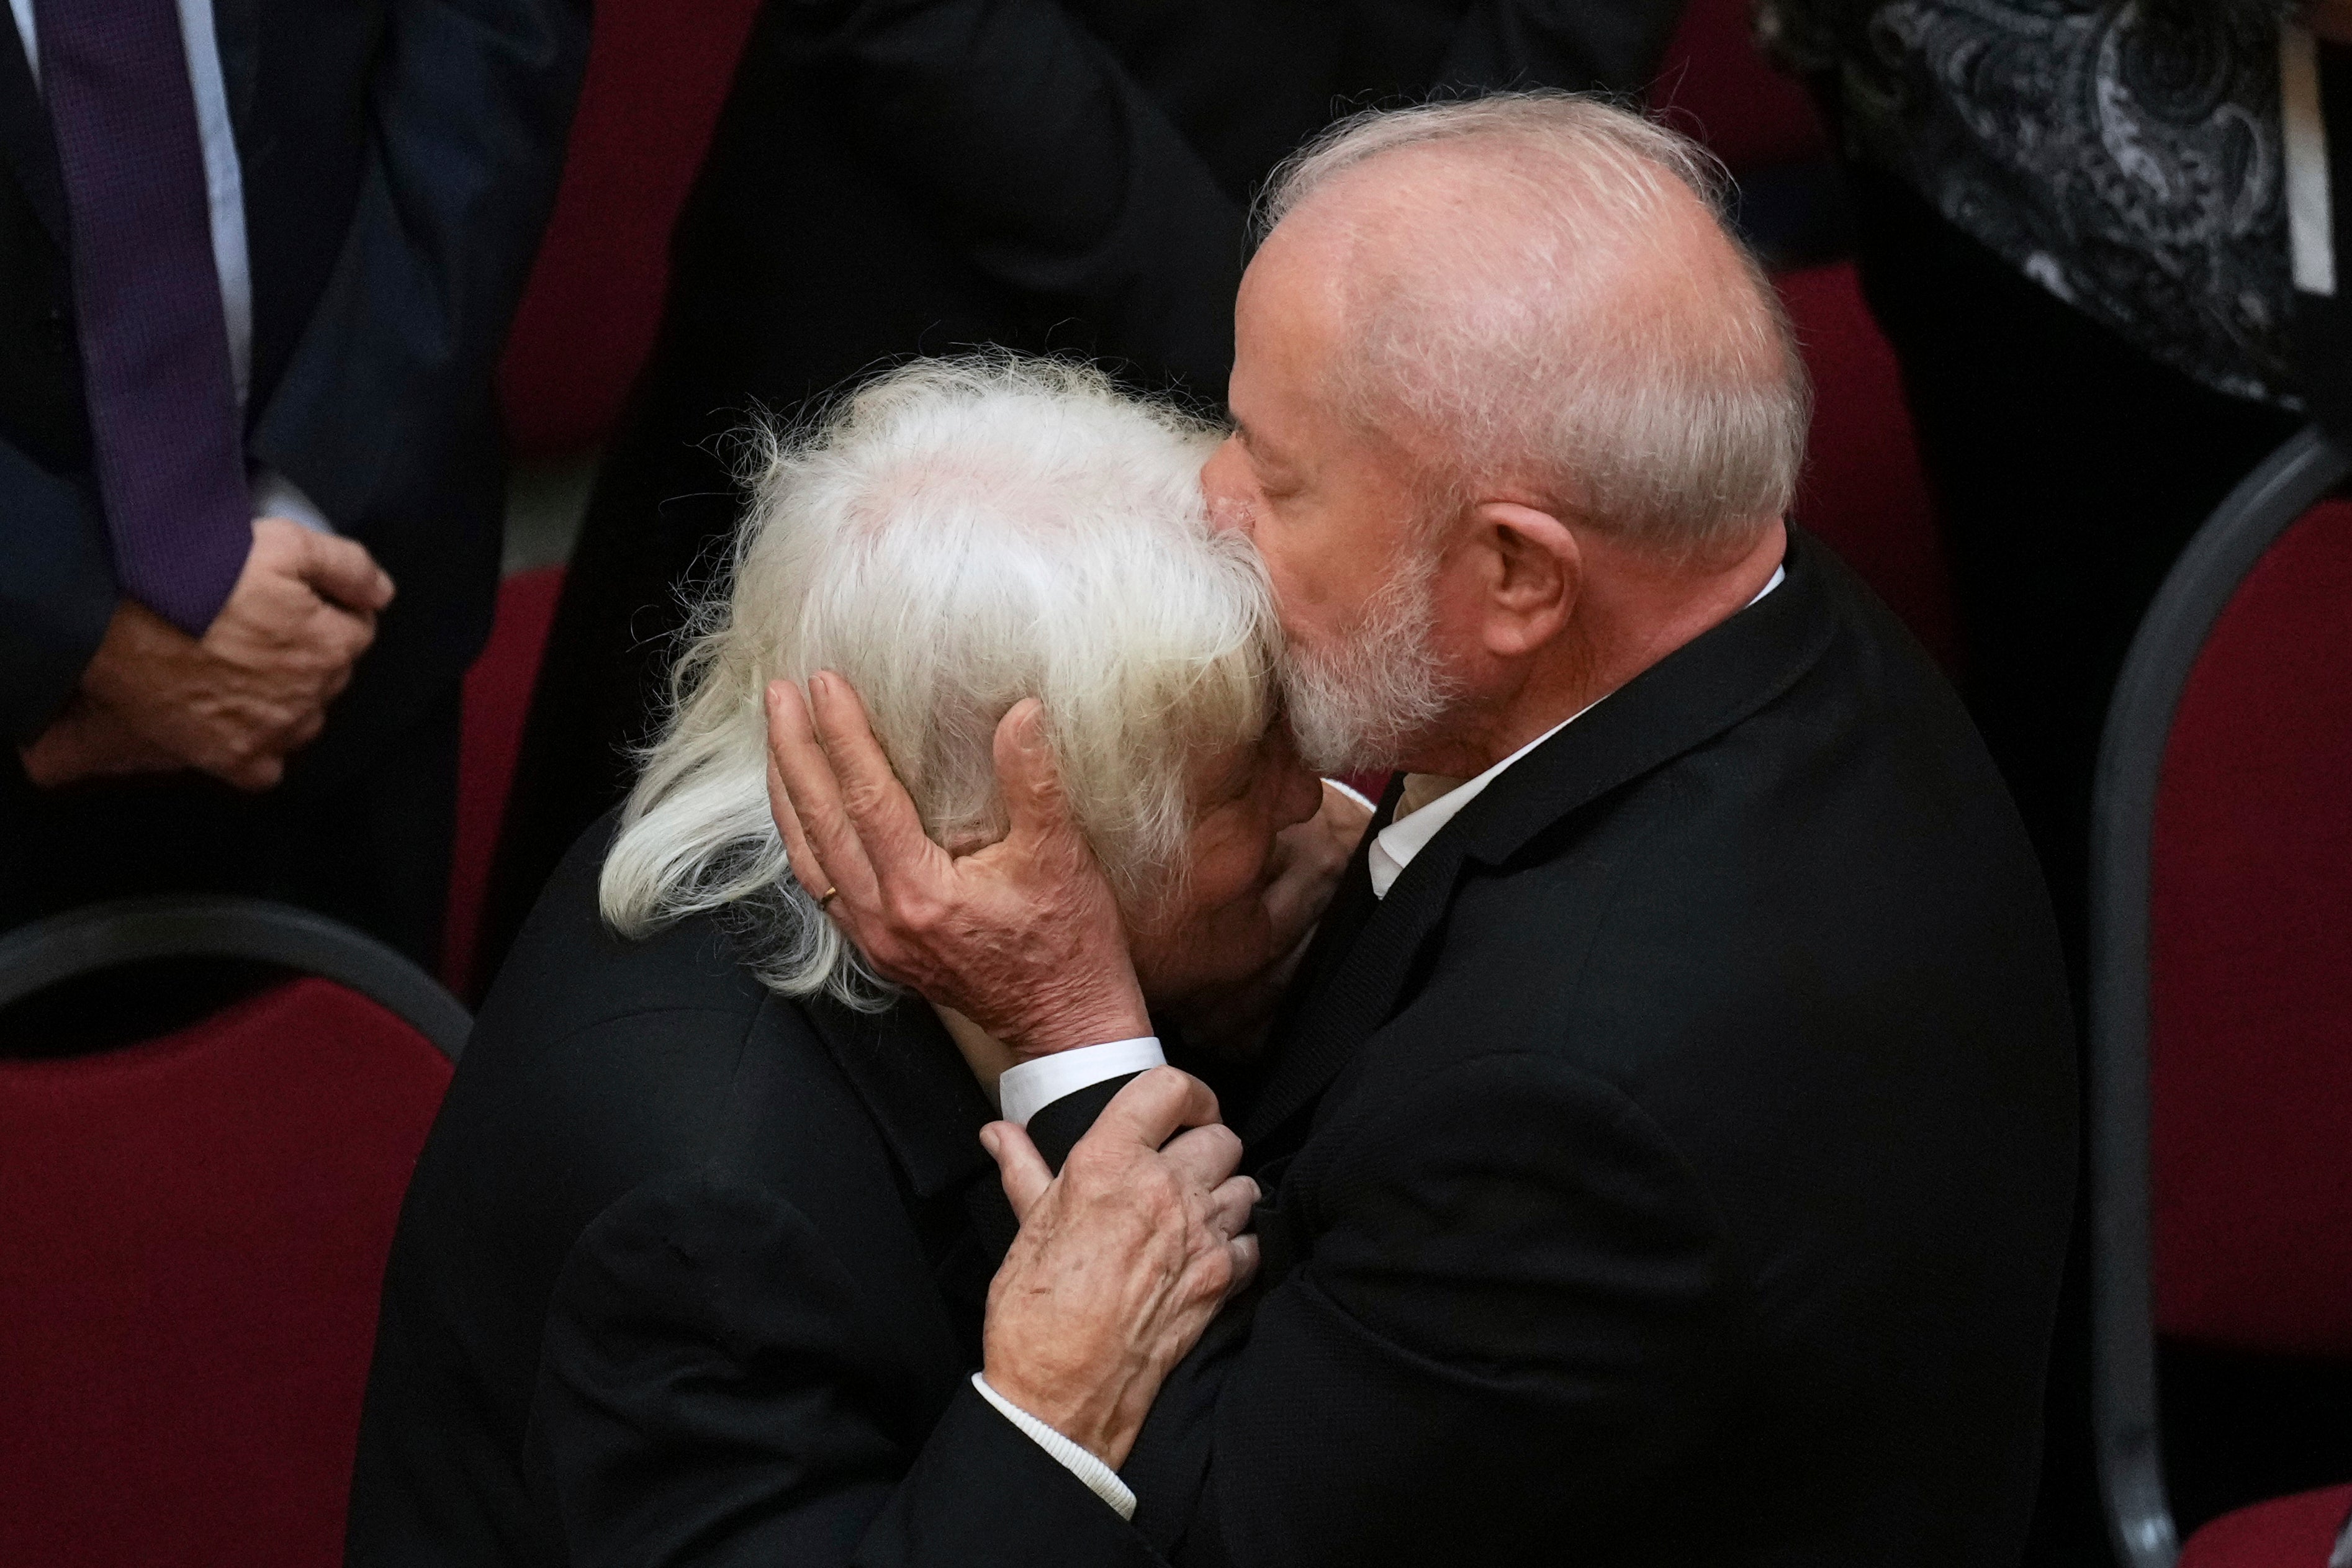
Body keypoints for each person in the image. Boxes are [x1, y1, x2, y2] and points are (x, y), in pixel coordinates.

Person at [766, 94, 2081, 1566]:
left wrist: (1070, 1034)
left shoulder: (1565, 1110)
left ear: (1516, 575)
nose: (1210, 507)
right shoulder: (1771, 618)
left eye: (1275, 476)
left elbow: (1217, 1530)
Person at [346, 358, 1367, 1566]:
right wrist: (1054, 1416)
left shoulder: (841, 781)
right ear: (1024, 844)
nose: (1314, 799)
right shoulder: (707, 1219)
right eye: (1246, 772)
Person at [479, 0, 1695, 988]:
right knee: (763, 951)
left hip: (1389, 323)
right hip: (936, 295)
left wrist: (1416, 275)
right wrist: (1283, 330)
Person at [0, 0, 589, 970]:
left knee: (362, 1105)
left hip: (345, 645)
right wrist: (64, 620)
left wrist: (315, 519)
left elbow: (489, 43)